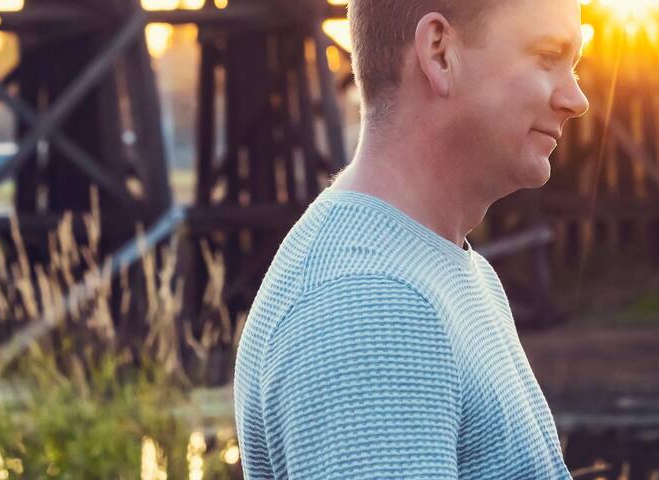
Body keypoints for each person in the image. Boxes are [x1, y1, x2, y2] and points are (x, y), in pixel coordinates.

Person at [230, 0, 589, 476]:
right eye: (548, 57)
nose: (576, 99)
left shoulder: (445, 267)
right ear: (440, 52)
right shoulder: (367, 302)